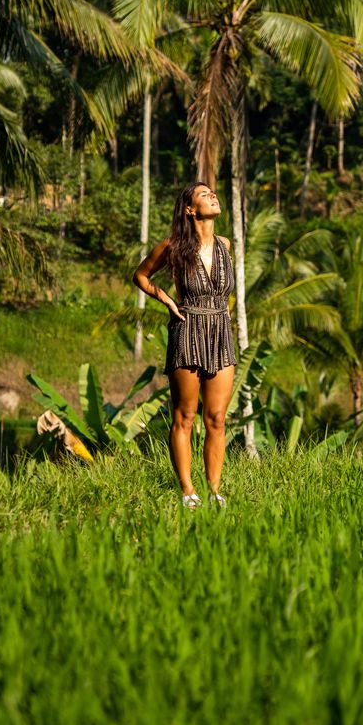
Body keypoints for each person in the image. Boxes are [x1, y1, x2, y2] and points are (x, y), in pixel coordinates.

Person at [133, 182, 236, 508]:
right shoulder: (172, 247)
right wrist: (165, 299)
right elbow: (141, 275)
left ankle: (215, 491)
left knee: (217, 418)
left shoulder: (225, 245)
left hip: (220, 331)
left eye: (213, 193)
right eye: (204, 195)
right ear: (190, 210)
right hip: (187, 328)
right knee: (185, 416)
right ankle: (188, 491)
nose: (213, 196)